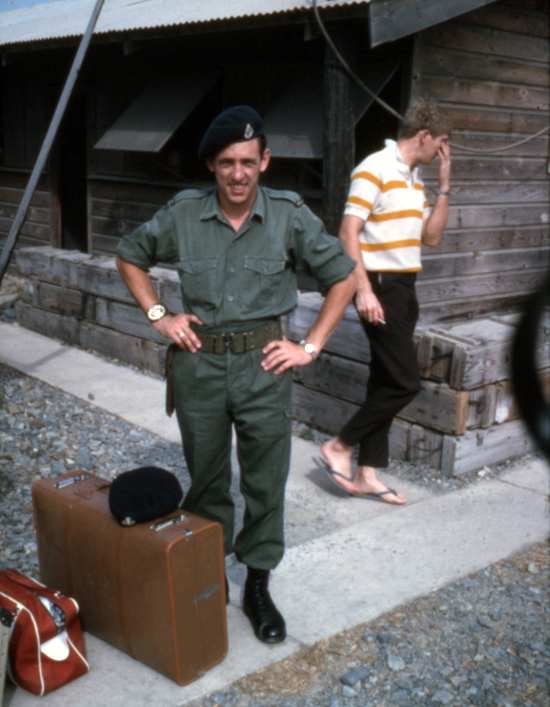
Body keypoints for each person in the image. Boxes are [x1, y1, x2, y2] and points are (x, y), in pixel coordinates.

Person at [115, 106, 356, 644]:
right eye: (227, 163)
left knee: (266, 481)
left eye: (249, 161)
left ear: (265, 161)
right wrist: (161, 316)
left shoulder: (290, 214)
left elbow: (342, 276)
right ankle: (209, 577)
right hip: (200, 363)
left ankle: (257, 585)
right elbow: (130, 255)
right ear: (211, 165)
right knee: (207, 480)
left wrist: (310, 346)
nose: (239, 174)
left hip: (264, 366)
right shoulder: (182, 213)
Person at [319, 98, 453, 505]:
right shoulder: (375, 168)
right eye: (442, 144)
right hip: (379, 285)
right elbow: (347, 232)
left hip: (406, 285)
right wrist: (363, 290)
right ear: (424, 135)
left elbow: (430, 237)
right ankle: (339, 445)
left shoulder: (414, 178)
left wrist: (445, 184)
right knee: (405, 381)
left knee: (384, 378)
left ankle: (367, 473)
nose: (442, 152)